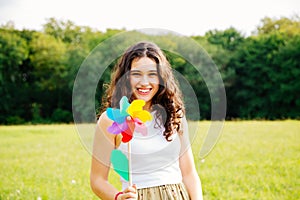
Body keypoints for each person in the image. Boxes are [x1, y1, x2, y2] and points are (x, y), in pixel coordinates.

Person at [90, 41, 203, 200]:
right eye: (136, 74)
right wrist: (119, 197)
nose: (144, 82)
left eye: (152, 74)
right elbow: (97, 180)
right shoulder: (110, 120)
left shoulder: (174, 114)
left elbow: (189, 173)